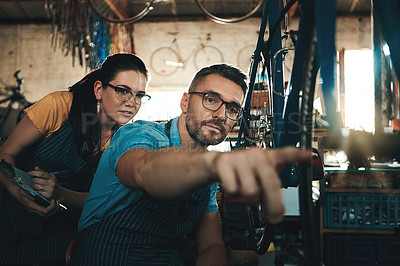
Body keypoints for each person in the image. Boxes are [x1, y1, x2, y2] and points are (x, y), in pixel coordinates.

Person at [72, 64, 310, 265]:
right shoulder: (140, 133)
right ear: (185, 102)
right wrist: (216, 164)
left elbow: (211, 245)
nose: (220, 114)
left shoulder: (206, 175)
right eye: (210, 99)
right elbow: (145, 170)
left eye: (232, 108)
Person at [0, 53, 150, 265]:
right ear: (99, 90)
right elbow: (5, 154)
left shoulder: (124, 139)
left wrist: (61, 195)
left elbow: (104, 198)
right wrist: (18, 193)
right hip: (10, 210)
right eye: (123, 91)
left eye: (139, 95)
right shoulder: (59, 106)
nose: (132, 103)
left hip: (60, 226)